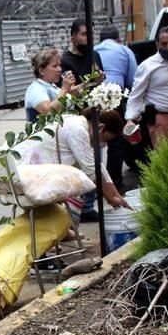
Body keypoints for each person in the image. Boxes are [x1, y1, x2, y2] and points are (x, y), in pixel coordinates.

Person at [13, 107, 129, 223]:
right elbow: (92, 171)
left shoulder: (77, 121)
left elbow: (97, 165)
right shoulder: (78, 130)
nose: (103, 144)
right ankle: (57, 230)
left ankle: (60, 230)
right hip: (22, 172)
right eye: (105, 139)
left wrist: (116, 196)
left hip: (19, 167)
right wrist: (111, 199)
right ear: (101, 127)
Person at [62, 19, 106, 221]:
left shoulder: (94, 55)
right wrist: (89, 82)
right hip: (75, 119)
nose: (88, 39)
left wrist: (100, 80)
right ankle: (77, 208)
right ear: (73, 37)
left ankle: (89, 205)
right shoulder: (66, 61)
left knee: (96, 159)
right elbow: (68, 92)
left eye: (90, 34)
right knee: (80, 164)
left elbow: (99, 81)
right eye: (83, 34)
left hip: (93, 114)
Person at [94, 25, 139, 191]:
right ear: (118, 39)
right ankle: (115, 183)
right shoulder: (124, 50)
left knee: (94, 141)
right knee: (116, 141)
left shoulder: (93, 50)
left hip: (94, 99)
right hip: (114, 99)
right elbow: (132, 80)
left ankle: (96, 184)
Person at [24, 48, 76, 123]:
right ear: (42, 71)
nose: (60, 69)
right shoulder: (36, 89)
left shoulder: (51, 86)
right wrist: (64, 89)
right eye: (55, 66)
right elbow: (48, 112)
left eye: (59, 65)